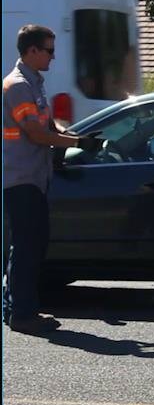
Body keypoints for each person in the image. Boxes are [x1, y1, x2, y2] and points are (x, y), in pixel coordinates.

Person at [2, 25, 103, 334]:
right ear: (31, 51)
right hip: (20, 178)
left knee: (28, 245)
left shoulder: (33, 83)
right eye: (49, 50)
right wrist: (76, 145)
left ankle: (14, 308)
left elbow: (46, 124)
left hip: (33, 176)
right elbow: (33, 133)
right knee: (28, 246)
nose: (53, 56)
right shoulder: (18, 86)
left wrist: (74, 135)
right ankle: (22, 314)